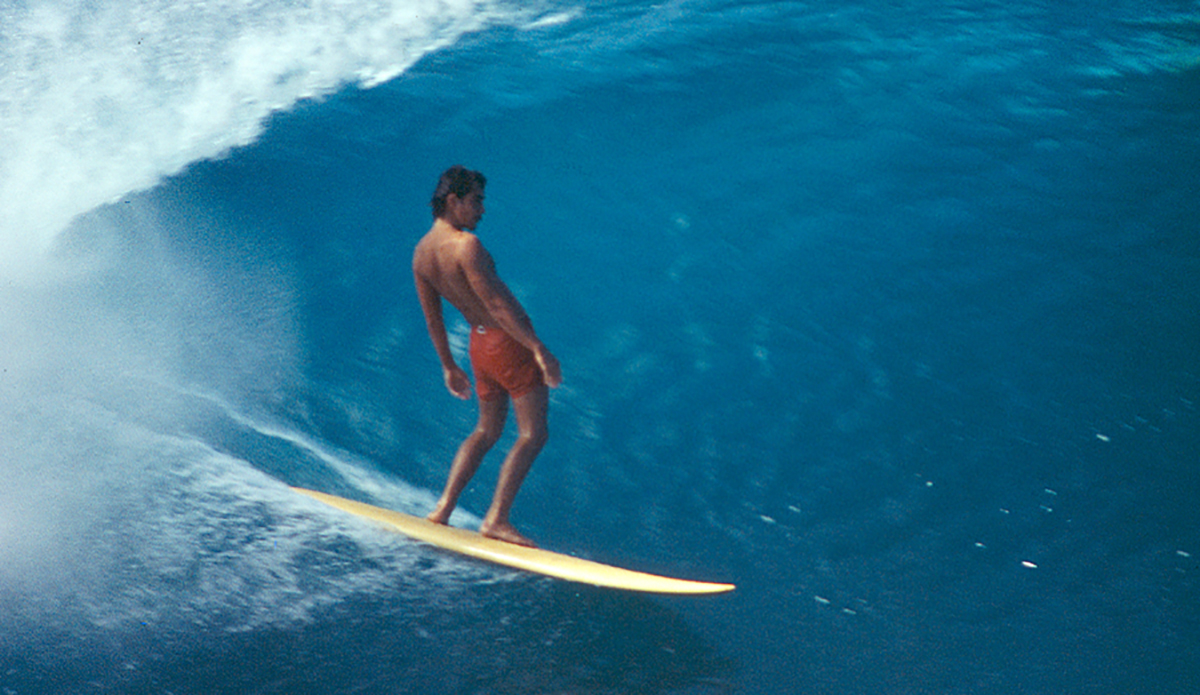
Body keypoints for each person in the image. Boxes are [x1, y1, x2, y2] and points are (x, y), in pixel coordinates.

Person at [412, 165, 562, 547]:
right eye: (476, 201)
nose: (482, 210)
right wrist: (538, 349)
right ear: (453, 201)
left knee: (486, 431)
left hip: (477, 347)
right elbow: (497, 305)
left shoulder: (422, 254)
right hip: (507, 345)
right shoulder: (467, 246)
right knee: (533, 434)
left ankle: (443, 508)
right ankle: (496, 518)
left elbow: (434, 319)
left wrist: (448, 365)